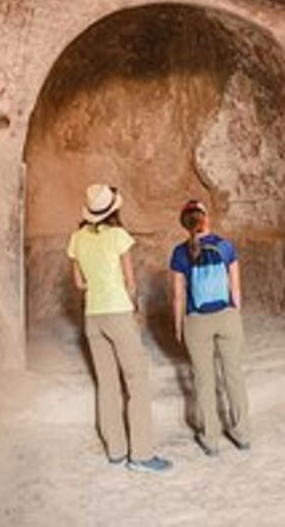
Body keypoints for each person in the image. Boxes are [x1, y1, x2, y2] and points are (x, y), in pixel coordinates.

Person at [68, 184, 171, 473]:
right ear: (113, 210)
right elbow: (130, 281)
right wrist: (134, 307)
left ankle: (115, 450)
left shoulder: (77, 239)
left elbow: (79, 284)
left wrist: (97, 287)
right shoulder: (118, 236)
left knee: (107, 383)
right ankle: (141, 454)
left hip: (92, 315)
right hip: (118, 312)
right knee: (137, 380)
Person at [170, 199, 251, 456]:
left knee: (204, 380)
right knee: (234, 375)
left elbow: (178, 296)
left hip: (197, 321)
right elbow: (235, 288)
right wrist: (234, 314)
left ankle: (211, 439)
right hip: (227, 316)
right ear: (206, 219)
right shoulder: (226, 247)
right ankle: (242, 433)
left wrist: (178, 326)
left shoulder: (180, 252)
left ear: (185, 224)